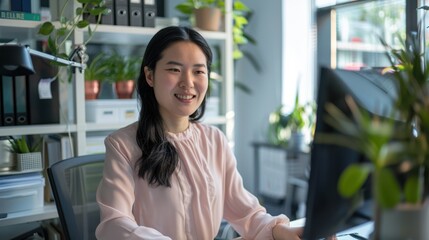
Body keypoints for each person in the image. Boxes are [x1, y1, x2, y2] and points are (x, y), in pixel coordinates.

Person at [95, 26, 303, 240]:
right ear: (150, 75)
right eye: (174, 70)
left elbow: (246, 211)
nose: (188, 82)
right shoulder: (122, 145)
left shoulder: (214, 140)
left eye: (198, 71)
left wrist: (278, 230)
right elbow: (114, 223)